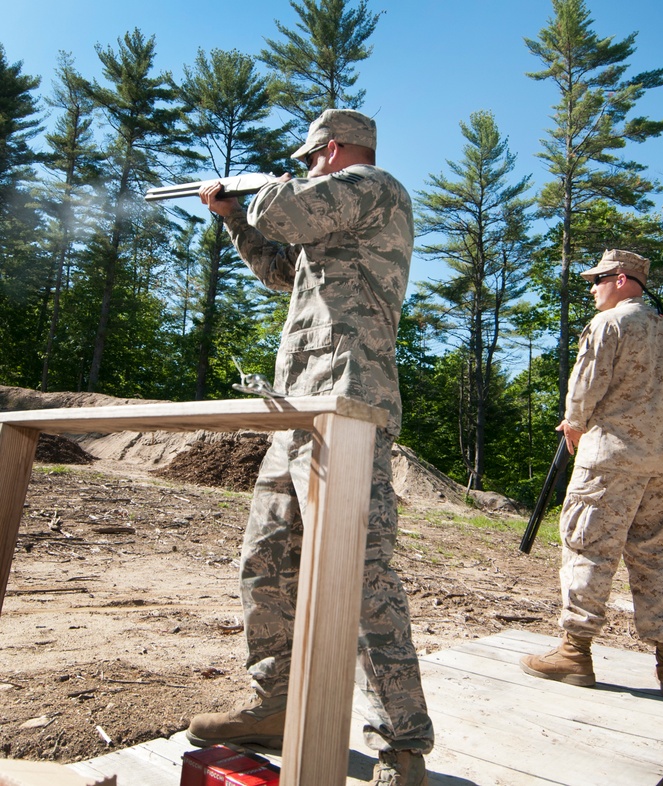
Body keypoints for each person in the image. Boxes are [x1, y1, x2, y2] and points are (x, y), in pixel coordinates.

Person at [185, 109, 433, 786]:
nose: (310, 167)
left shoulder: (372, 185)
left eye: (312, 158)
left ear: (331, 150)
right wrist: (233, 218)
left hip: (348, 404)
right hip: (298, 405)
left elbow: (287, 213)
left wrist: (261, 189)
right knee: (265, 558)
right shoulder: (334, 212)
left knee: (361, 573)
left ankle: (402, 746)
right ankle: (274, 705)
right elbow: (279, 267)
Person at [519, 249, 663, 699]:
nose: (592, 288)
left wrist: (574, 422)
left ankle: (574, 653)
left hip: (608, 461)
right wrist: (657, 406)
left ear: (624, 279)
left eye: (599, 278)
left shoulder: (610, 324)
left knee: (588, 549)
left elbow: (585, 384)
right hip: (662, 464)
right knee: (657, 559)